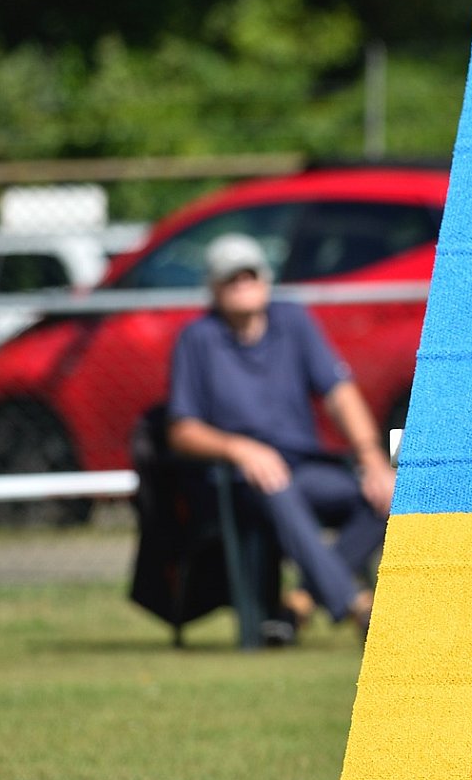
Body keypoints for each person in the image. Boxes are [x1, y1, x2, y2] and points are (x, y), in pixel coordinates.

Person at [166, 233, 393, 639]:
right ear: (213, 287)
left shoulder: (293, 321)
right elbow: (181, 430)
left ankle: (301, 601)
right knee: (273, 480)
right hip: (237, 482)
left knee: (387, 495)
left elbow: (339, 393)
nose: (243, 284)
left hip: (304, 467)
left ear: (265, 279)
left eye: (249, 275)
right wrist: (240, 449)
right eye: (231, 278)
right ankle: (358, 606)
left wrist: (372, 458)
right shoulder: (197, 338)